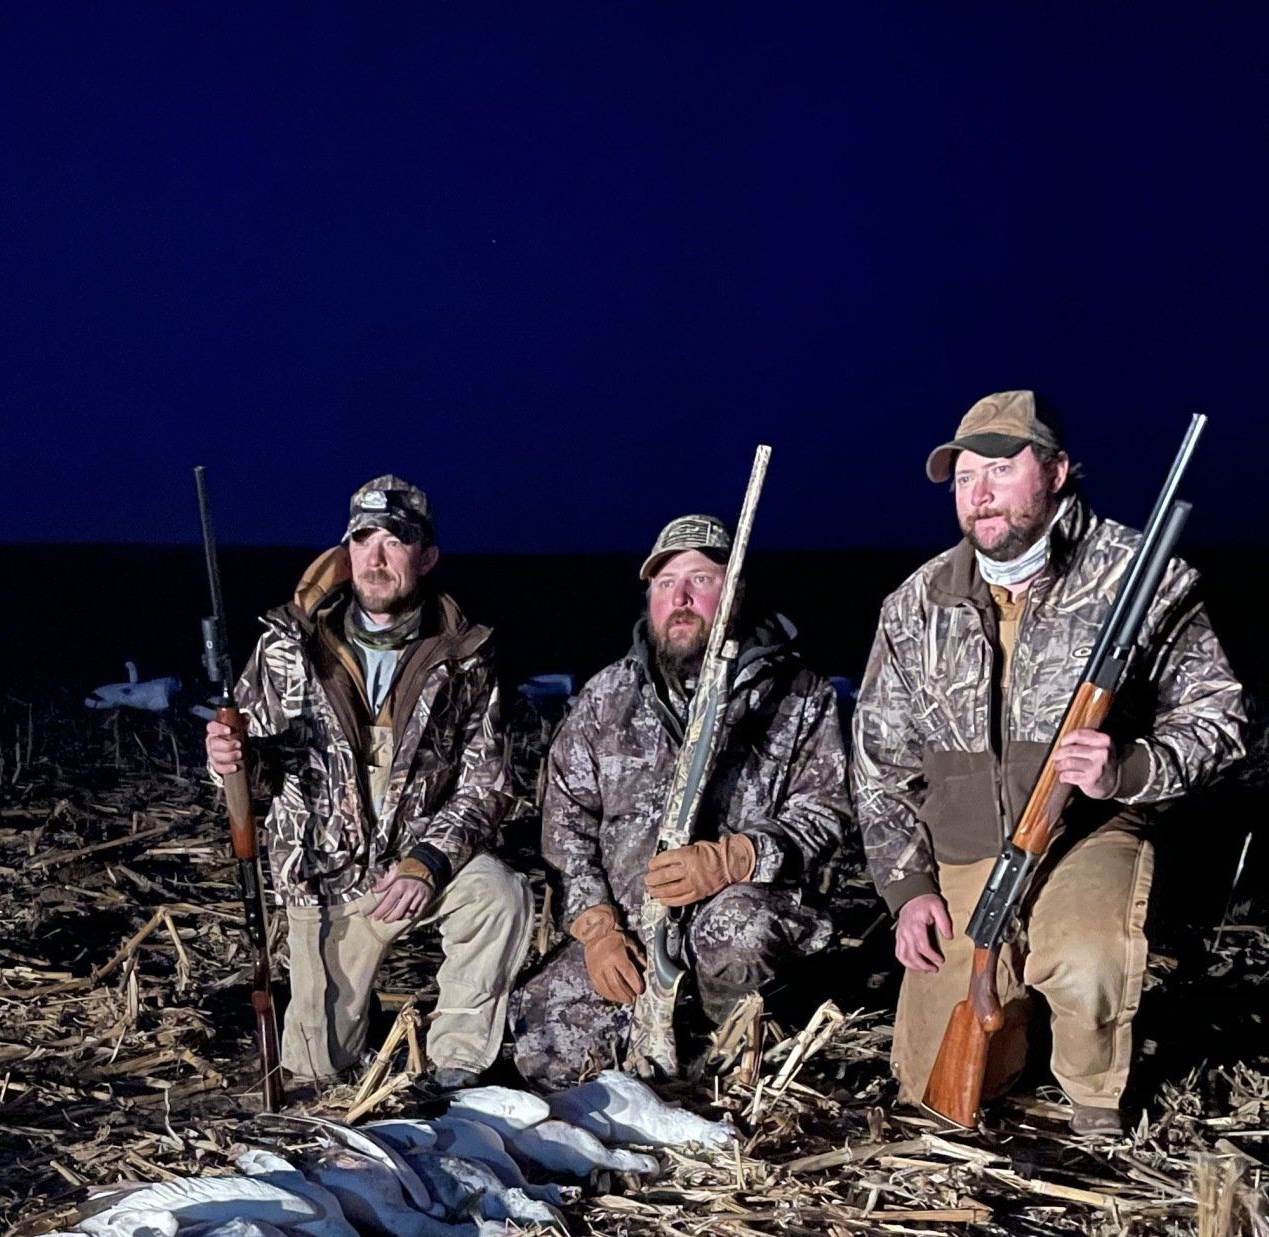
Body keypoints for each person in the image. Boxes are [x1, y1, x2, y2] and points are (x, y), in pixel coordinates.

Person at [853, 390, 1251, 1135]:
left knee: (1084, 959)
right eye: (965, 477)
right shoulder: (915, 603)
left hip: (1087, 831)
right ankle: (1011, 1035)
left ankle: (1093, 1098)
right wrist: (908, 890)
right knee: (934, 1090)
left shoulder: (1140, 574)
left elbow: (1223, 718)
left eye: (1002, 470)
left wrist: (1129, 768)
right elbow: (880, 766)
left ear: (1058, 472)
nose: (980, 493)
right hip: (965, 850)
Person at [204, 475, 526, 1092]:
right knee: (317, 1070)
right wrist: (230, 760)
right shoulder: (285, 648)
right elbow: (256, 779)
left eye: (395, 542)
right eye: (362, 540)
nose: (375, 559)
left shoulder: (465, 654)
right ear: (346, 550)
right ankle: (353, 1029)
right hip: (324, 881)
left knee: (498, 894)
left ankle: (456, 1071)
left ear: (426, 557)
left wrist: (427, 862)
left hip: (416, 865)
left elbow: (487, 785)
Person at [509, 514, 854, 1087]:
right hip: (632, 928)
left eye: (701, 579)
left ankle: (740, 1059)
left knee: (740, 932)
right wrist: (597, 928)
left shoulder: (798, 695)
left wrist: (736, 859)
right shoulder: (606, 697)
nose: (681, 598)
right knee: (546, 1036)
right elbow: (566, 825)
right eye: (666, 584)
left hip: (741, 915)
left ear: (736, 590)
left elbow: (826, 813)